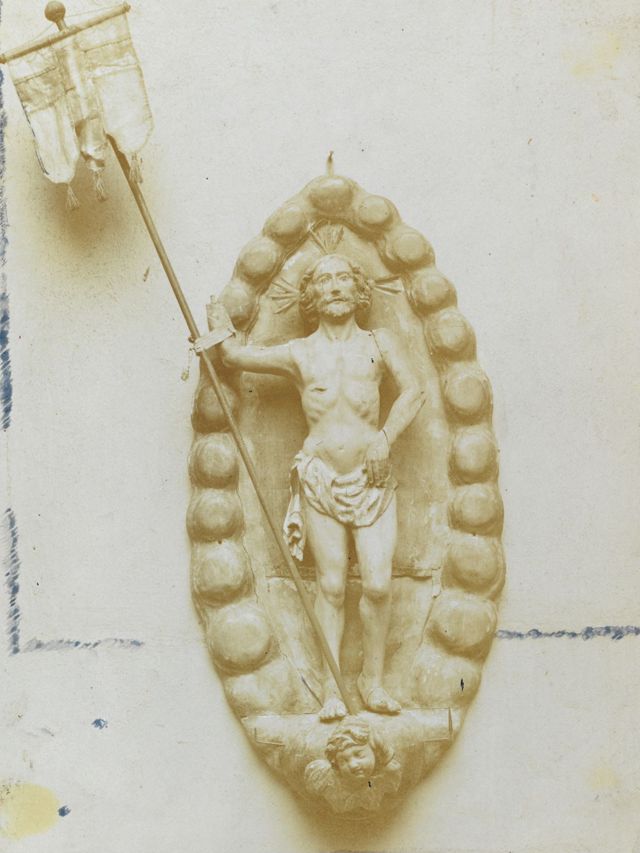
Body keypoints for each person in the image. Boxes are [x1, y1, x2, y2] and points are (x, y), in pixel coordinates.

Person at [216, 253, 424, 720]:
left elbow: (415, 390)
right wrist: (216, 325)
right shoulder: (301, 353)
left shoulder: (379, 342)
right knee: (330, 585)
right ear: (310, 296)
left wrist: (384, 440)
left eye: (343, 278)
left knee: (377, 584)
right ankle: (332, 688)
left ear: (359, 290)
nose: (334, 286)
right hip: (320, 477)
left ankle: (372, 681)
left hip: (372, 480)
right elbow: (235, 357)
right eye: (324, 280)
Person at [303, 715, 402, 812]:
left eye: (359, 755)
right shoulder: (326, 780)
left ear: (375, 752)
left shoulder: (387, 776)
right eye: (343, 761)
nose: (353, 765)